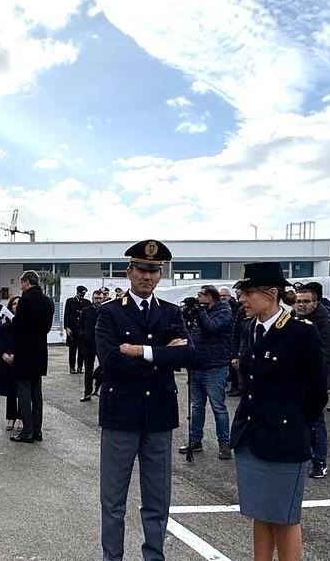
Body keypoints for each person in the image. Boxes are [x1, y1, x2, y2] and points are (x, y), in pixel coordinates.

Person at [95, 239, 192, 560]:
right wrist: (164, 356)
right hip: (120, 415)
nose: (148, 277)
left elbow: (189, 355)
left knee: (157, 498)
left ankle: (154, 556)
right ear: (129, 271)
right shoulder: (108, 313)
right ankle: (113, 557)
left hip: (159, 416)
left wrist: (141, 352)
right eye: (142, 270)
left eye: (154, 271)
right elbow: (111, 361)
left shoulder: (171, 312)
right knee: (113, 500)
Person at [229, 262, 325, 561]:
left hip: (284, 438)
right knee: (260, 513)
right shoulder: (250, 327)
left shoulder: (300, 333)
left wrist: (294, 423)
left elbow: (317, 392)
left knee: (284, 517)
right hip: (251, 435)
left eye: (247, 293)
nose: (242, 299)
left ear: (271, 293)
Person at [180, 285, 234, 460]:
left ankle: (225, 443)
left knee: (218, 407)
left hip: (215, 367)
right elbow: (190, 332)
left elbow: (211, 328)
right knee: (196, 407)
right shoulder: (203, 312)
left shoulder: (224, 312)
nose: (198, 299)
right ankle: (195, 440)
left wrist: (199, 313)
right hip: (197, 365)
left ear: (210, 297)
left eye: (200, 295)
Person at [293, 283, 330, 478]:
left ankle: (319, 461)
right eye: (298, 301)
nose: (301, 305)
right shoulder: (293, 321)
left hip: (314, 382)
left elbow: (325, 359)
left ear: (315, 302)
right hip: (293, 380)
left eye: (306, 301)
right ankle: (301, 455)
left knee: (316, 421)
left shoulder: (326, 325)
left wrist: (315, 384)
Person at [8, 271, 54, 443]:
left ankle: (27, 431)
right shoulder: (48, 301)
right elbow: (47, 327)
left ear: (27, 282)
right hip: (40, 351)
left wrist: (11, 322)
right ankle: (37, 430)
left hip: (25, 352)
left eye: (22, 283)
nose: (21, 286)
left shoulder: (25, 300)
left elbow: (19, 325)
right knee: (37, 394)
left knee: (24, 393)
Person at [0, 296, 23, 431]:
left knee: (22, 390)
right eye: (14, 304)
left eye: (18, 304)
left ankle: (21, 417)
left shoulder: (24, 322)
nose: (16, 306)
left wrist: (16, 354)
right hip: (5, 360)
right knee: (10, 391)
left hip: (20, 359)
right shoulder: (3, 323)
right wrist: (3, 354)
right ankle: (10, 417)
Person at [78, 289, 103, 402]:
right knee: (88, 370)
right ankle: (87, 393)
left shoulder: (105, 310)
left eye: (100, 298)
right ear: (92, 298)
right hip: (88, 345)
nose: (97, 300)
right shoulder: (86, 311)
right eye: (96, 298)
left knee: (105, 368)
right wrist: (84, 336)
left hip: (102, 345)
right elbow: (81, 326)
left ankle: (99, 389)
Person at [64, 285, 89, 374]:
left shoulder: (87, 302)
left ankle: (79, 367)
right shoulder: (70, 301)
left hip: (82, 330)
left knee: (81, 350)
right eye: (80, 294)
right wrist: (66, 327)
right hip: (72, 330)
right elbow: (66, 315)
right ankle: (72, 367)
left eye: (83, 295)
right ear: (77, 292)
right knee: (72, 350)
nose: (82, 296)